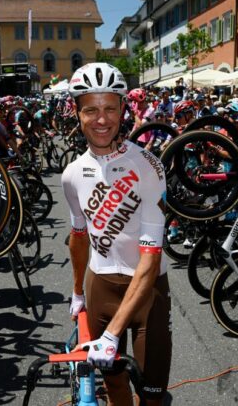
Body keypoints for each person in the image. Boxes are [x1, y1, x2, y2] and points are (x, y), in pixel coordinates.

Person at [63, 63, 171, 406]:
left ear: (123, 109)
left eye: (110, 107)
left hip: (147, 293)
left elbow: (151, 259)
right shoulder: (72, 174)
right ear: (77, 113)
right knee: (115, 390)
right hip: (100, 288)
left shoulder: (148, 166)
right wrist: (77, 290)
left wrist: (111, 334)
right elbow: (78, 236)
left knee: (152, 397)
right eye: (91, 109)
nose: (102, 119)